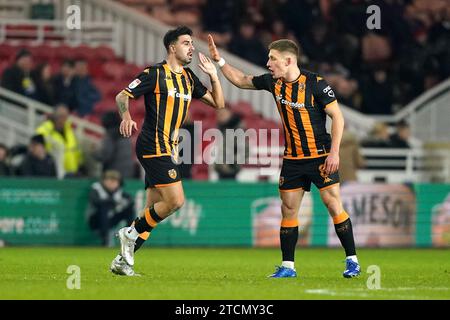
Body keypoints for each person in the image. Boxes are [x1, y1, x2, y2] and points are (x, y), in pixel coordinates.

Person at [208, 36, 360, 278]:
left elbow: (338, 118)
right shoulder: (273, 82)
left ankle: (352, 260)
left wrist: (334, 153)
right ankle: (288, 267)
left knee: (333, 204)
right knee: (288, 209)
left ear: (288, 60)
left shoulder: (316, 84)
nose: (268, 63)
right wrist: (220, 61)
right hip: (292, 159)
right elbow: (241, 80)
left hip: (320, 156)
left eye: (273, 59)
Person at [111, 26, 224, 276]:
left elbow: (219, 103)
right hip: (153, 144)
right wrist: (126, 117)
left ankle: (122, 261)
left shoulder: (189, 77)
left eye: (192, 43)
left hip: (169, 149)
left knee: (151, 213)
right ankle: (128, 233)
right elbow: (122, 95)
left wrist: (213, 76)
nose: (191, 47)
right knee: (176, 201)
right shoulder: (154, 73)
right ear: (172, 47)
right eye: (186, 43)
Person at [86, 170, 135, 247]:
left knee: (129, 209)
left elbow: (130, 201)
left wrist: (122, 203)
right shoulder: (96, 188)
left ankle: (130, 236)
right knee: (104, 207)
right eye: (109, 180)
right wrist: (112, 201)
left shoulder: (119, 191)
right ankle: (105, 239)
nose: (111, 184)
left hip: (111, 219)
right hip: (95, 220)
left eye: (114, 181)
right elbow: (95, 201)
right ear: (104, 181)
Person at [36, 104, 82, 178]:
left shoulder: (69, 130)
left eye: (66, 116)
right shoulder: (44, 130)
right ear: (55, 116)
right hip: (55, 174)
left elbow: (75, 150)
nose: (64, 119)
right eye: (61, 116)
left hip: (72, 173)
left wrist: (79, 163)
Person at [95, 111, 134, 178]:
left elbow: (105, 156)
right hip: (128, 172)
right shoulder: (125, 133)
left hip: (114, 175)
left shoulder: (110, 136)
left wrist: (93, 152)